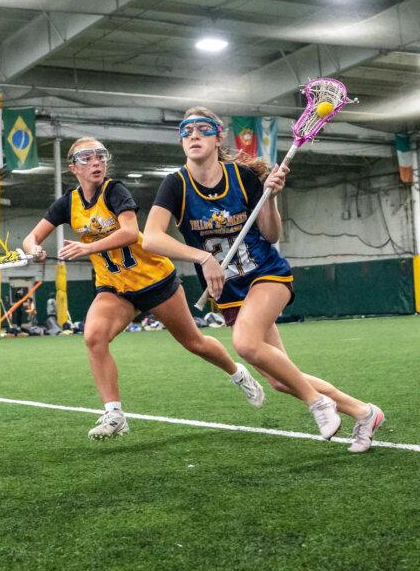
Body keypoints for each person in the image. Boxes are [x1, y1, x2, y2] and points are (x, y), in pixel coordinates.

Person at [142, 109, 383, 453]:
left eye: (202, 129)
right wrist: (203, 257)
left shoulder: (242, 177)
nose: (193, 136)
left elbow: (270, 234)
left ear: (218, 137)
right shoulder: (175, 184)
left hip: (266, 274)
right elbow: (150, 238)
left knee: (245, 344)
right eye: (186, 131)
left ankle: (318, 403)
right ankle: (365, 412)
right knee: (281, 380)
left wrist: (269, 198)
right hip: (230, 291)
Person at [21, 137, 265, 440]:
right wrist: (34, 250)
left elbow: (129, 232)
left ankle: (237, 373)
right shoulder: (68, 203)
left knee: (194, 342)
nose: (96, 162)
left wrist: (89, 248)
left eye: (100, 156)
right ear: (73, 168)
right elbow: (32, 238)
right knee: (94, 337)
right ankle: (114, 414)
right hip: (115, 287)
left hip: (154, 281)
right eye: (86, 158)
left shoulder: (114, 191)